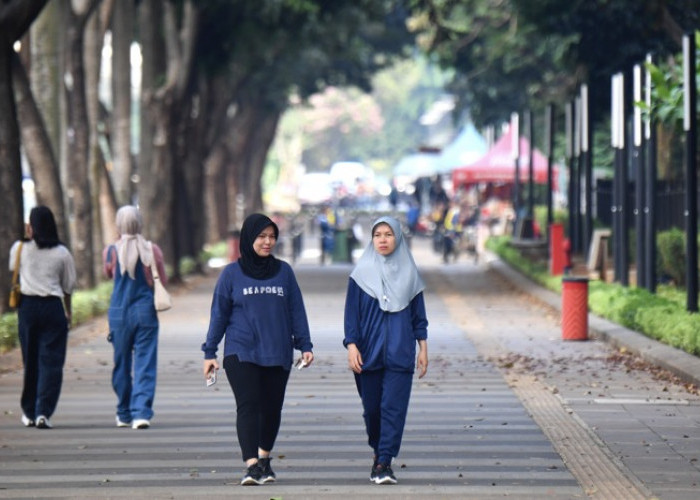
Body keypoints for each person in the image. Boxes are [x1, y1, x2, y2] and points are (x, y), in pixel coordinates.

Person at [201, 213, 314, 486]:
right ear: (249, 238)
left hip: (277, 350)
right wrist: (210, 352)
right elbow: (219, 315)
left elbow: (296, 309)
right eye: (261, 237)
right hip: (241, 351)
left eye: (272, 236)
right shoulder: (231, 274)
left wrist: (305, 345)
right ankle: (251, 465)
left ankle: (264, 459)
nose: (267, 242)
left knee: (272, 408)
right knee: (248, 405)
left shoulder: (284, 272)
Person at [343, 215, 429, 485]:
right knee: (372, 411)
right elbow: (351, 315)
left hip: (400, 353)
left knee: (393, 408)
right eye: (377, 234)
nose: (382, 239)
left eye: (388, 234)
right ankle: (378, 450)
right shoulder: (359, 275)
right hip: (368, 353)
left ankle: (384, 462)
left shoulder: (410, 273)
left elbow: (419, 317)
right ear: (372, 239)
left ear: (398, 238)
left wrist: (423, 349)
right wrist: (352, 346)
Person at [9, 205, 77, 429]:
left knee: (31, 361)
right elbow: (68, 287)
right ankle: (43, 412)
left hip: (27, 308)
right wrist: (68, 311)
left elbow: (14, 271)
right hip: (52, 308)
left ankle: (28, 411)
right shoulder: (62, 253)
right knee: (52, 362)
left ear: (32, 226)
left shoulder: (19, 248)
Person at [103, 205, 167, 430]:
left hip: (118, 313)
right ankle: (141, 413)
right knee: (145, 362)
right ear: (140, 223)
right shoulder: (152, 250)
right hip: (145, 311)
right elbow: (162, 280)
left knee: (121, 363)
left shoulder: (111, 250)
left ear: (119, 225)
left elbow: (109, 273)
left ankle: (123, 412)